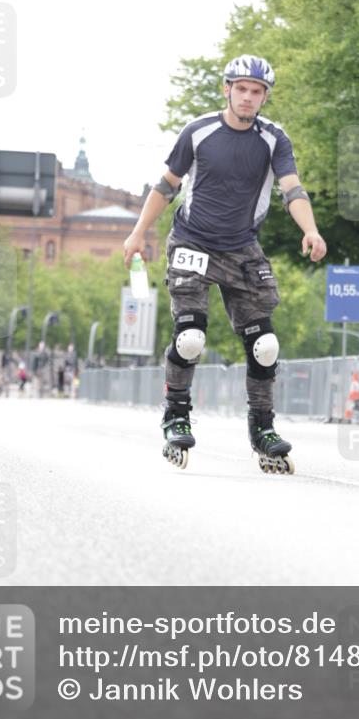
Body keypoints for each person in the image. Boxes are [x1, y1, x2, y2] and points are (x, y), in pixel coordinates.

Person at [123, 53, 327, 470]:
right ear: (227, 89)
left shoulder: (274, 139)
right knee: (191, 338)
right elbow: (166, 185)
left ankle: (263, 428)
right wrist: (139, 231)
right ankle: (176, 415)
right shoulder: (198, 132)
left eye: (257, 92)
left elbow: (292, 188)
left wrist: (311, 229)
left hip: (242, 247)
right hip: (192, 242)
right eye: (242, 90)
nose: (249, 98)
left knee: (265, 346)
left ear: (265, 96)